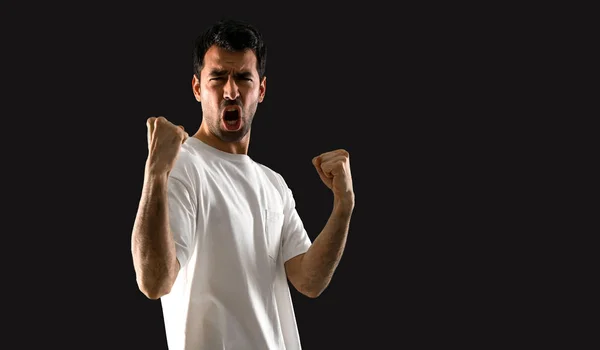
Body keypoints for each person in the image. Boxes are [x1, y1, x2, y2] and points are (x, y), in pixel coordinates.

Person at [131, 18, 355, 350]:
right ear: (197, 88)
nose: (231, 91)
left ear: (260, 90)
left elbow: (308, 280)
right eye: (217, 78)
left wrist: (343, 206)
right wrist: (155, 175)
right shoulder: (182, 165)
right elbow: (154, 282)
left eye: (243, 78)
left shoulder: (272, 183)